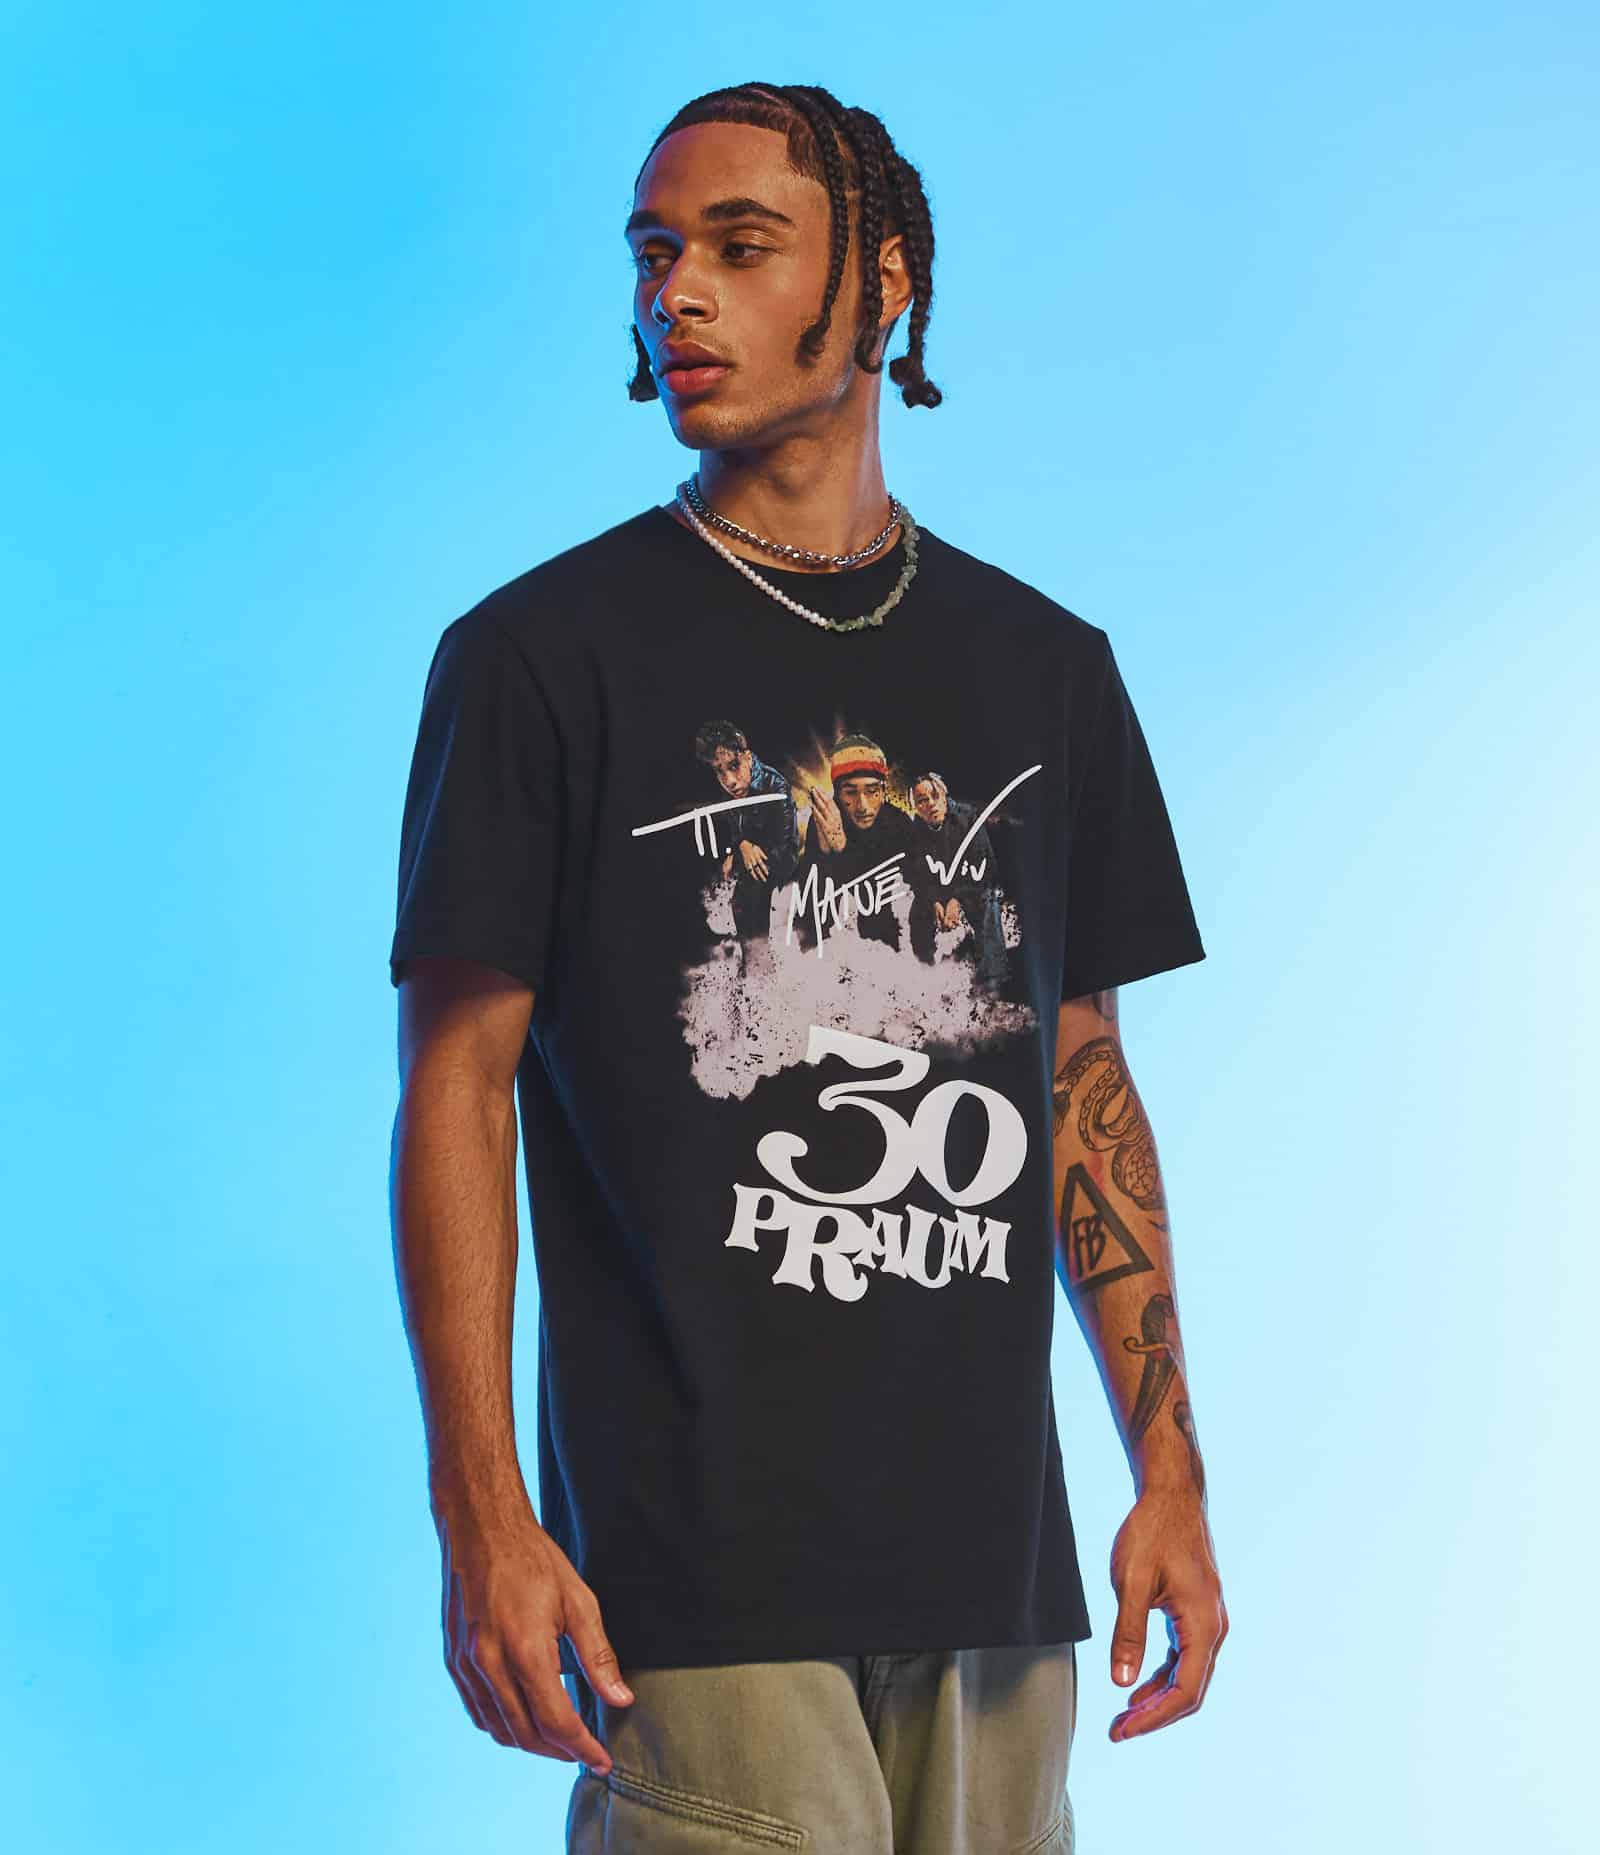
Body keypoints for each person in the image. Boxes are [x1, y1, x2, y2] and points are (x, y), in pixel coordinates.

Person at [388, 81, 1228, 1855]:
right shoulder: (541, 658)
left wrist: (1169, 1474)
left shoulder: (1047, 670)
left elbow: (1082, 1078)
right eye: (653, 253)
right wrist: (482, 1516)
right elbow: (456, 1086)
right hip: (690, 1579)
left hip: (998, 1573)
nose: (676, 293)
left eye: (740, 245)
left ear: (885, 281)